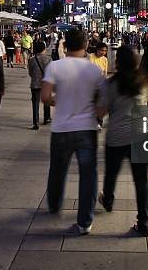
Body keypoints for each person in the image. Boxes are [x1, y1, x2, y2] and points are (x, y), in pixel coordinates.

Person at [41, 29, 104, 235]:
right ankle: (85, 222)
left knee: (58, 169)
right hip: (87, 129)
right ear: (86, 45)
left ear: (65, 45)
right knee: (88, 175)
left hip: (61, 128)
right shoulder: (94, 70)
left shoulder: (55, 66)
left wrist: (56, 100)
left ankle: (54, 204)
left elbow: (45, 96)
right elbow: (102, 101)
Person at [97, 46, 148, 237]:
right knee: (142, 181)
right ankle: (143, 223)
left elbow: (101, 111)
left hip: (116, 137)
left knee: (111, 174)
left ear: (117, 62)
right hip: (140, 136)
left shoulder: (110, 84)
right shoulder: (143, 83)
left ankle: (108, 201)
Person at [28, 41, 52, 130]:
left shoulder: (31, 59)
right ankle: (47, 118)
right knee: (46, 101)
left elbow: (30, 72)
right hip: (46, 83)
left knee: (35, 103)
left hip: (35, 84)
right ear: (43, 49)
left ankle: (36, 122)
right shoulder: (48, 59)